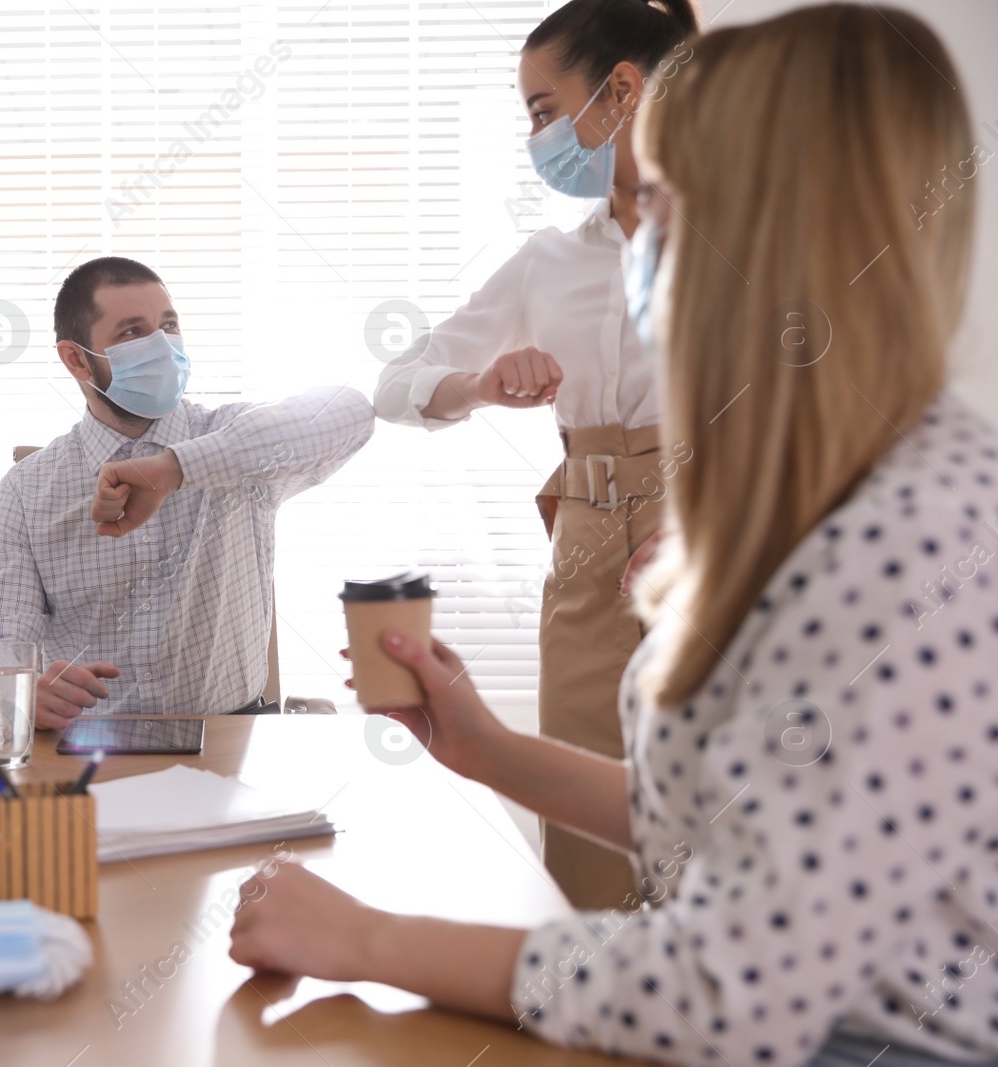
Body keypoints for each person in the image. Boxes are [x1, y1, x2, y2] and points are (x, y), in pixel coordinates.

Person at [232, 6, 997, 1064]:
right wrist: (490, 749)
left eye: (660, 207)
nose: (636, 247)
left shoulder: (901, 539)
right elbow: (750, 820)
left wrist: (368, 938)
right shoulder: (838, 494)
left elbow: (734, 989)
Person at [371, 0, 698, 911]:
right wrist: (483, 384)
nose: (538, 136)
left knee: (720, 811)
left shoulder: (754, 239)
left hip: (716, 542)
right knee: (587, 828)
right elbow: (398, 381)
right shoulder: (547, 261)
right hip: (588, 546)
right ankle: (586, 1045)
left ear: (624, 90)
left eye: (545, 109)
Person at [0, 256, 373, 724]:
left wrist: (174, 468)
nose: (162, 345)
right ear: (77, 359)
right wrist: (18, 689)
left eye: (169, 326)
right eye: (133, 332)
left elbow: (349, 412)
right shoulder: (26, 490)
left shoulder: (234, 440)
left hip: (228, 743)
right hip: (87, 753)